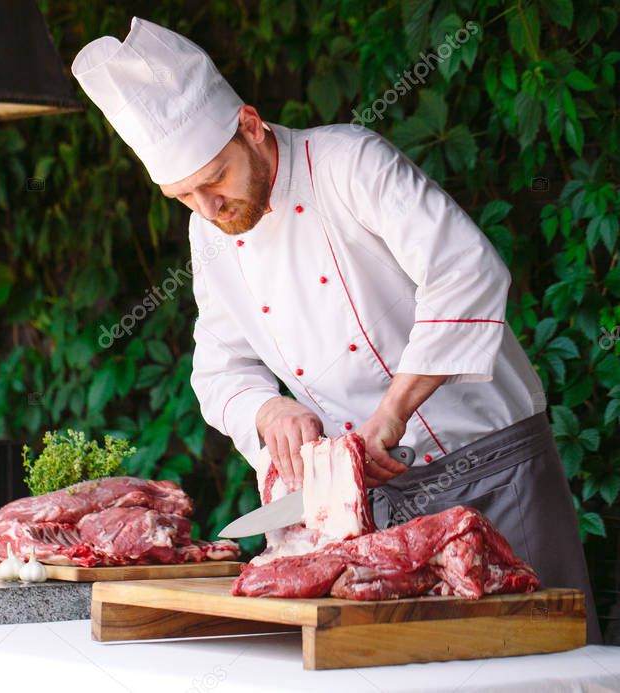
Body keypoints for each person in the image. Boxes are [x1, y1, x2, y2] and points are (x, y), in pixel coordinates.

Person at [71, 17, 600, 642]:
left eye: (213, 181)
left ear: (249, 124)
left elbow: (466, 271)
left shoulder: (350, 162)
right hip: (369, 504)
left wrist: (393, 413)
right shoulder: (209, 232)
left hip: (493, 468)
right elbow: (220, 368)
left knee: (547, 659)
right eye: (182, 196)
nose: (208, 210)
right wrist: (270, 413)